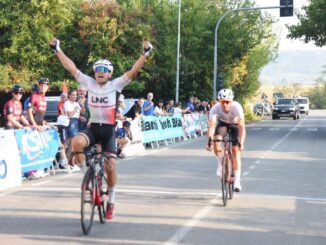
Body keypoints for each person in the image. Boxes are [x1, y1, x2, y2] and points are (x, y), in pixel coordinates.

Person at [50, 38, 153, 220]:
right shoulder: (89, 83)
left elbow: (133, 71)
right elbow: (71, 68)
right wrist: (57, 49)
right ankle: (86, 175)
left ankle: (111, 199)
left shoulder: (116, 85)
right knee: (76, 143)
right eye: (97, 69)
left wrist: (145, 54)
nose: (100, 72)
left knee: (111, 166)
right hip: (92, 129)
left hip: (108, 132)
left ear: (109, 73)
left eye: (104, 70)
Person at [206, 88, 246, 192]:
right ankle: (220, 163)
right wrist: (209, 142)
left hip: (235, 125)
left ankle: (237, 181)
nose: (225, 105)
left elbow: (242, 127)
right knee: (217, 140)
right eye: (222, 102)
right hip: (222, 124)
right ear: (219, 101)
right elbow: (211, 127)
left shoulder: (237, 107)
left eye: (227, 102)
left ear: (231, 101)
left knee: (235, 151)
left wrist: (241, 142)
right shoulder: (215, 108)